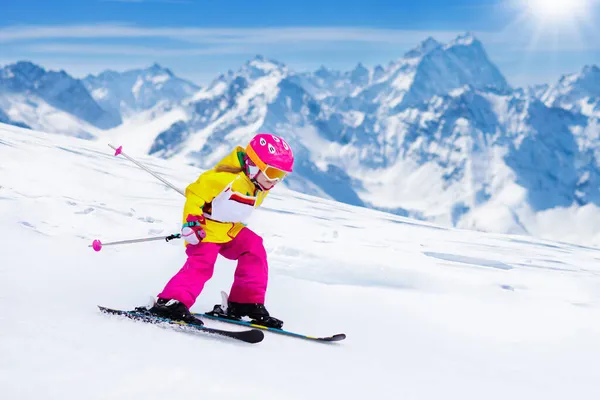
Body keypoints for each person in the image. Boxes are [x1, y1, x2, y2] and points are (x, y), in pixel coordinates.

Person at [146, 133, 293, 329]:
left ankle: (244, 304)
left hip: (229, 231)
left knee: (254, 247)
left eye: (281, 176)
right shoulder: (224, 179)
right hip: (205, 231)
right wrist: (192, 222)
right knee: (203, 262)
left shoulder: (259, 185)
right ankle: (171, 302)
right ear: (254, 165)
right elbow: (195, 194)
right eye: (272, 173)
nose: (275, 181)